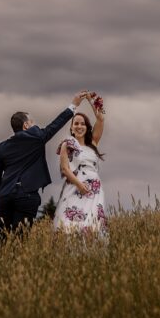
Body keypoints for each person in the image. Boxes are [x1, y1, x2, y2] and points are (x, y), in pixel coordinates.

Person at [0, 90, 89, 247]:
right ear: (26, 125)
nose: (35, 125)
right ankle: (16, 269)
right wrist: (73, 105)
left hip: (4, 195)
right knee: (20, 240)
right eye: (33, 122)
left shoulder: (1, 147)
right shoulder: (36, 138)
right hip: (26, 195)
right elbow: (54, 126)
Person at [53, 92, 108, 243]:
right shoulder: (67, 144)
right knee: (70, 227)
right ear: (71, 128)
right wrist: (79, 184)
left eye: (82, 124)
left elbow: (101, 118)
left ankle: (91, 259)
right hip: (75, 188)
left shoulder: (93, 144)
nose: (79, 126)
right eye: (76, 124)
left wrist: (91, 100)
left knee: (92, 226)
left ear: (87, 127)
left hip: (94, 191)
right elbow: (65, 169)